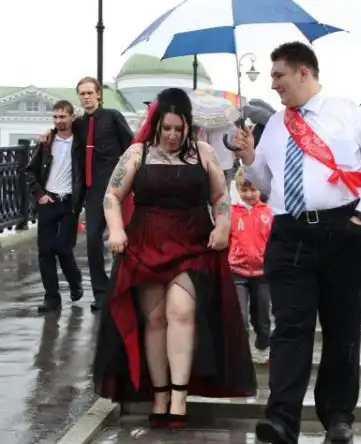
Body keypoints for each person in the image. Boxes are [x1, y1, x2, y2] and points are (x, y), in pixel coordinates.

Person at [233, 41, 361, 444]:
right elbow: (267, 185)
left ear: (303, 72)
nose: (274, 84)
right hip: (289, 233)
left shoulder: (352, 114)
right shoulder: (275, 126)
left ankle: (338, 416)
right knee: (290, 327)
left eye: (279, 75)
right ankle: (281, 419)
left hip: (343, 229)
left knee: (342, 330)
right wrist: (250, 158)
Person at [92, 88, 256, 429]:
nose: (172, 135)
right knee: (154, 321)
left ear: (187, 125)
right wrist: (116, 230)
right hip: (146, 244)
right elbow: (112, 195)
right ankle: (160, 393)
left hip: (192, 243)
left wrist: (223, 224)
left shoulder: (203, 152)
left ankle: (179, 395)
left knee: (181, 312)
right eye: (166, 128)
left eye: (178, 129)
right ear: (156, 124)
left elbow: (219, 195)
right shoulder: (137, 153)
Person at [39, 76, 134, 312]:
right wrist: (47, 133)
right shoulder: (79, 124)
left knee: (121, 240)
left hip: (116, 190)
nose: (86, 97)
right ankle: (101, 293)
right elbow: (61, 130)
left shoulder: (113, 117)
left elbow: (132, 148)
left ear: (98, 94)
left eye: (90, 93)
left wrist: (131, 181)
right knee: (93, 241)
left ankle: (122, 288)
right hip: (92, 192)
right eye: (82, 94)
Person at [26, 100, 85, 313]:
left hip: (69, 202)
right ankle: (52, 298)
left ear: (72, 117)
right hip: (48, 200)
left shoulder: (80, 143)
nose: (58, 121)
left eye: (63, 116)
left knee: (62, 248)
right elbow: (30, 171)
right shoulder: (47, 143)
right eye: (55, 117)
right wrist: (40, 194)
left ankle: (75, 281)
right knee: (45, 251)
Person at [229, 167, 273, 363]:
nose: (248, 194)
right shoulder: (232, 212)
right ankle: (241, 354)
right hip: (237, 272)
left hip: (262, 274)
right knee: (240, 317)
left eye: (252, 189)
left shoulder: (269, 212)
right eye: (244, 190)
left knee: (262, 317)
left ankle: (262, 346)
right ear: (237, 189)